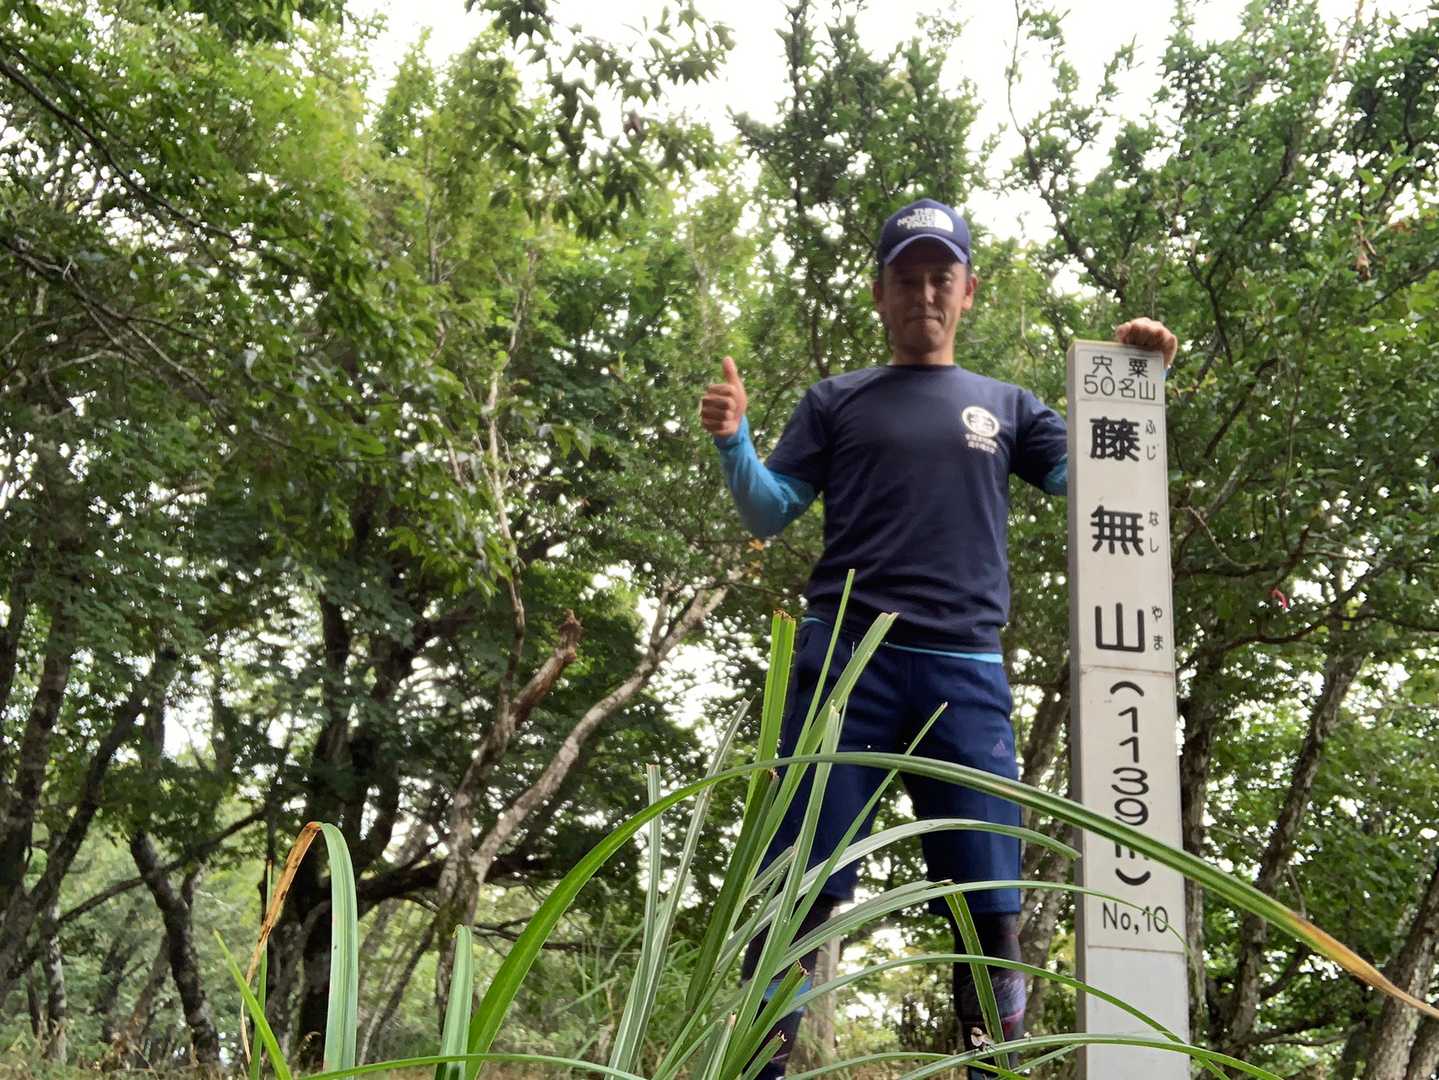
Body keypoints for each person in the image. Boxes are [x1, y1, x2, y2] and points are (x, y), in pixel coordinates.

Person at [698, 197, 1177, 1076]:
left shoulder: (1008, 407)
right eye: (907, 278)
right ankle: (754, 1071)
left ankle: (994, 1065)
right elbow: (770, 510)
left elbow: (1095, 482)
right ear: (879, 293)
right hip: (844, 664)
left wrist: (1137, 383)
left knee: (989, 900)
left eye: (939, 277)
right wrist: (736, 444)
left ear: (967, 291)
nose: (924, 292)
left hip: (965, 672)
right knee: (794, 889)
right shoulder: (835, 401)